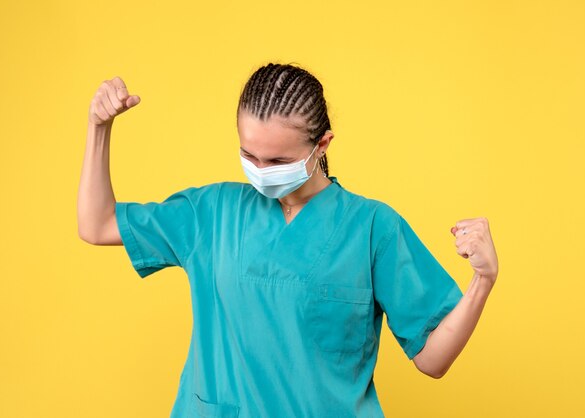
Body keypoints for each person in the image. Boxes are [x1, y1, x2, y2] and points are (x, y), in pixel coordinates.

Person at [77, 63, 499, 418]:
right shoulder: (211, 213)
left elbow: (433, 360)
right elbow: (97, 225)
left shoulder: (372, 227)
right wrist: (99, 128)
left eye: (278, 160)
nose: (261, 170)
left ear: (322, 145)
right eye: (249, 155)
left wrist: (483, 280)